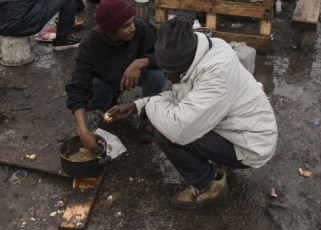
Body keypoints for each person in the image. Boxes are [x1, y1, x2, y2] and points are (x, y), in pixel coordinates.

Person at [105, 18, 278, 210]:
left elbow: (180, 129)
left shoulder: (216, 74)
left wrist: (149, 107)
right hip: (239, 128)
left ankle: (210, 185)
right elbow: (182, 95)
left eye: (166, 71)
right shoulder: (203, 51)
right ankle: (219, 160)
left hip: (251, 144)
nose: (164, 76)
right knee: (167, 116)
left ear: (179, 68)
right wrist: (138, 104)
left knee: (164, 132)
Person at [65, 0, 165, 151]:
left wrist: (140, 63)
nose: (133, 28)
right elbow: (78, 84)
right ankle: (111, 98)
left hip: (141, 73)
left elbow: (167, 54)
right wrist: (83, 131)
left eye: (133, 21)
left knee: (156, 75)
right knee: (85, 102)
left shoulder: (141, 29)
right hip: (108, 79)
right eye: (126, 26)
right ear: (110, 32)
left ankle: (148, 117)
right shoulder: (90, 44)